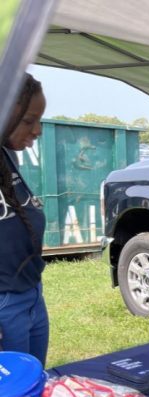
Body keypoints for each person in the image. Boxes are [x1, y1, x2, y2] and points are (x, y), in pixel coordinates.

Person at [0, 74, 48, 365]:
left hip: (30, 294)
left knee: (32, 391)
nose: (38, 130)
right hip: (5, 304)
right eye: (29, 121)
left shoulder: (7, 156)